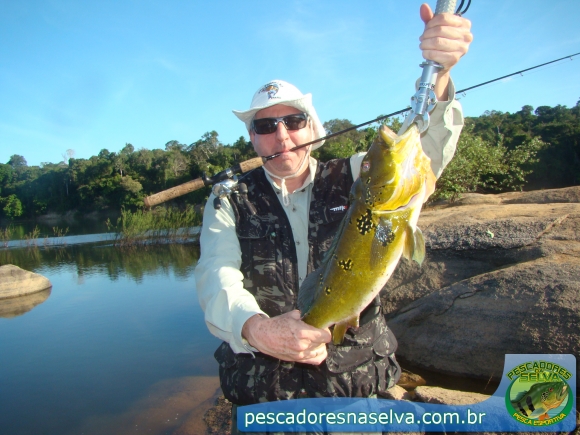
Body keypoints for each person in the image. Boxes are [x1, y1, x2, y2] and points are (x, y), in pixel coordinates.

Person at [194, 4, 473, 433]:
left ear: (313, 128)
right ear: (252, 138)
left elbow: (425, 151)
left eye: (293, 121)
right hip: (266, 400)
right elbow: (216, 275)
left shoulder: (358, 174)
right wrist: (256, 329)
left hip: (356, 390)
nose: (282, 135)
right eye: (266, 126)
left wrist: (440, 72)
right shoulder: (228, 200)